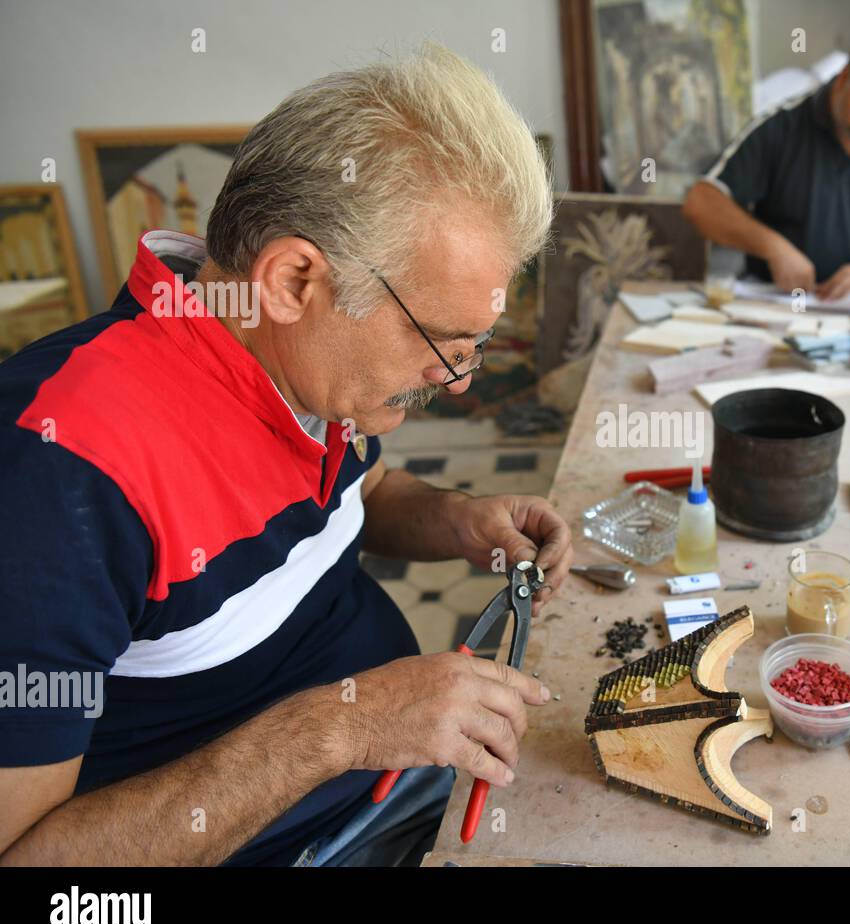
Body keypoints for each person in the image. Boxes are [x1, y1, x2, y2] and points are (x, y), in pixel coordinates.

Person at [0, 44, 571, 866]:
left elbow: (357, 496)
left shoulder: (304, 364)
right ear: (295, 279)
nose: (454, 383)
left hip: (396, 789)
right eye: (444, 344)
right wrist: (342, 725)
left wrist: (456, 522)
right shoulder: (56, 476)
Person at [683, 34, 850, 300]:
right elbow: (701, 204)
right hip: (783, 300)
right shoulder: (780, 128)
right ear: (844, 77)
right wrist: (774, 247)